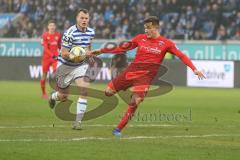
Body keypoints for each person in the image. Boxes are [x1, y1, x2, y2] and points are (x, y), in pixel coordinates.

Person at [88, 16, 206, 136]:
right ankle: (127, 89)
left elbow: (181, 56)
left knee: (135, 101)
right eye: (145, 28)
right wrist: (101, 50)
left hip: (144, 78)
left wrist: (194, 69)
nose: (146, 30)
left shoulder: (166, 43)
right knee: (108, 92)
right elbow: (121, 48)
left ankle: (118, 129)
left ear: (156, 27)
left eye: (149, 28)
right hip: (131, 72)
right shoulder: (140, 38)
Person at [48, 8, 95, 129]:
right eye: (82, 18)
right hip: (65, 65)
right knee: (63, 97)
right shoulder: (69, 33)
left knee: (84, 90)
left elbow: (88, 47)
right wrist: (75, 54)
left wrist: (89, 56)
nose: (84, 20)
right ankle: (53, 96)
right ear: (77, 19)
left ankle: (78, 122)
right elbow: (63, 53)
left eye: (86, 18)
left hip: (80, 65)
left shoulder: (91, 32)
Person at [40, 20, 61, 99]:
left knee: (58, 73)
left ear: (55, 27)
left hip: (55, 58)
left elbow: (59, 46)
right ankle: (43, 93)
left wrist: (63, 52)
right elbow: (45, 48)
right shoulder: (45, 35)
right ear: (48, 27)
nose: (52, 27)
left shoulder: (58, 35)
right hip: (46, 58)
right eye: (50, 25)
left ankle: (58, 92)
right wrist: (52, 55)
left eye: (53, 25)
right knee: (44, 75)